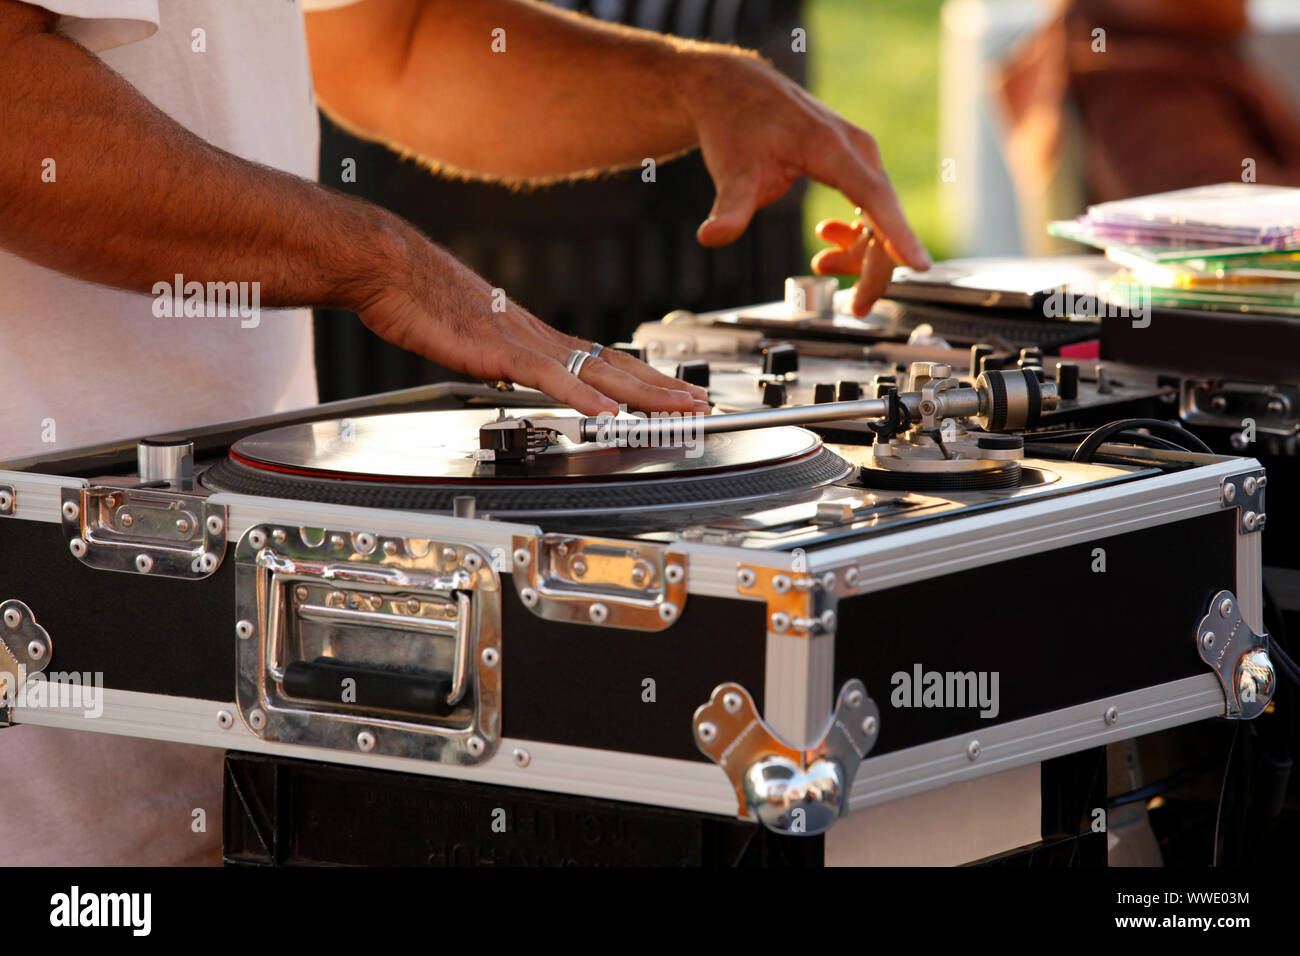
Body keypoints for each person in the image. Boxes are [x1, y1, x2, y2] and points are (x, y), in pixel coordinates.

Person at [0, 0, 929, 864]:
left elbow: (390, 45)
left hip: (250, 728)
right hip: (40, 724)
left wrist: (699, 86)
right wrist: (388, 263)